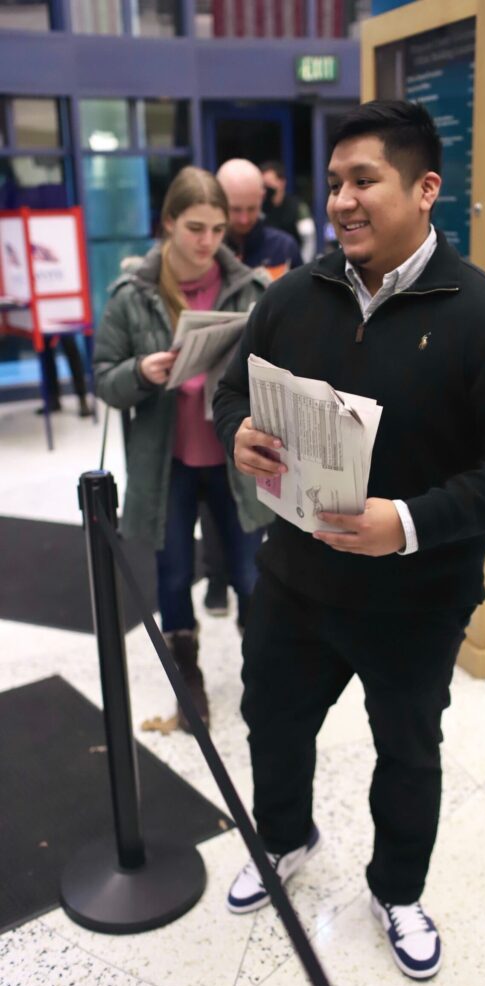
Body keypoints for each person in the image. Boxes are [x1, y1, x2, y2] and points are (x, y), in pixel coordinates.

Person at [213, 101, 485, 979]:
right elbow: (231, 392)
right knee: (272, 723)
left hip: (414, 598)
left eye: (363, 180)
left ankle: (398, 888)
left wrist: (404, 523)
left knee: (407, 750)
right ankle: (285, 838)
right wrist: (237, 433)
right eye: (334, 183)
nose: (341, 201)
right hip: (293, 580)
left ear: (424, 188)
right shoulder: (292, 295)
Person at [94, 166, 267, 731]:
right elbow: (104, 379)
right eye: (195, 227)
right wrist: (142, 371)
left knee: (248, 570)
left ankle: (265, 667)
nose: (208, 241)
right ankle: (186, 677)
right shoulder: (132, 296)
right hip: (165, 463)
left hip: (234, 459)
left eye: (218, 229)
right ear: (167, 223)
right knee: (172, 575)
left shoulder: (248, 288)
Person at [198, 157, 302, 617]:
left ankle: (250, 585)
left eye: (249, 209)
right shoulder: (205, 250)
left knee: (256, 493)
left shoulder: (280, 245)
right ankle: (216, 577)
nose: (241, 220)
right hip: (210, 390)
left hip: (268, 389)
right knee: (211, 491)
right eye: (232, 210)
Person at [216, 158, 303, 272]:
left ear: (262, 198)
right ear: (218, 201)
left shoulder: (284, 248)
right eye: (236, 210)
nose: (244, 219)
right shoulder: (206, 251)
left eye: (252, 209)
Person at [261, 159, 317, 263]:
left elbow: (309, 240)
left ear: (282, 182)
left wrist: (302, 267)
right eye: (263, 185)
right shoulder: (260, 209)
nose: (266, 189)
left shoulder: (297, 207)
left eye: (268, 183)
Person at [37, 333, 92, 417]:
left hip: (65, 322)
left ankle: (82, 400)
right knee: (46, 353)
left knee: (71, 349)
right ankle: (53, 400)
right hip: (46, 322)